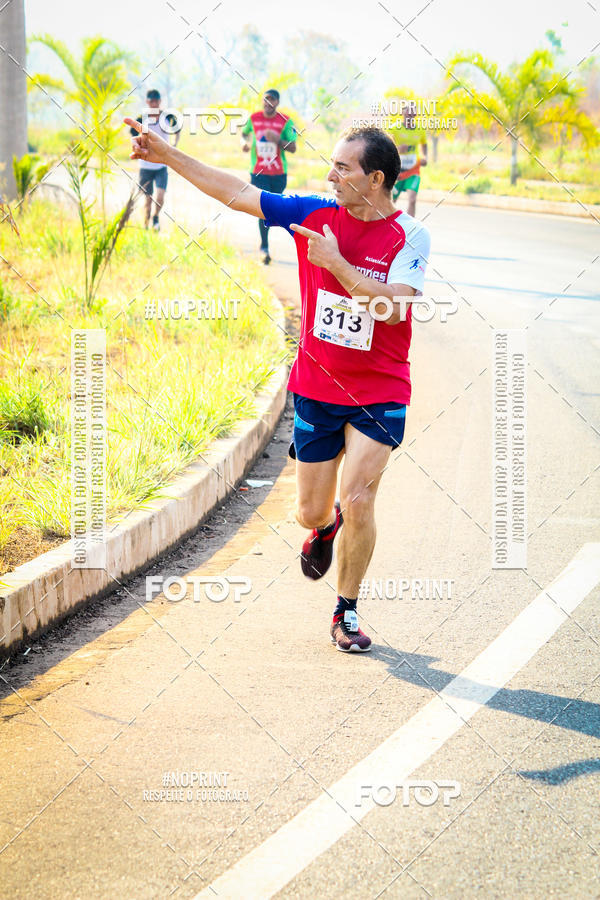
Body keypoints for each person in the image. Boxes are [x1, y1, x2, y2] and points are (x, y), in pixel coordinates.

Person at [125, 117, 430, 653]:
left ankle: (346, 612)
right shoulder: (313, 211)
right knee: (312, 512)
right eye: (331, 165)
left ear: (376, 179)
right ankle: (324, 527)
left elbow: (393, 307)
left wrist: (335, 262)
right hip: (317, 383)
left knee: (358, 498)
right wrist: (168, 155)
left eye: (343, 167)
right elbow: (238, 192)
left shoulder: (410, 235)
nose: (331, 175)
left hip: (381, 390)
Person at [241, 89, 297, 264]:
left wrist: (278, 141)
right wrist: (245, 142)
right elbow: (244, 133)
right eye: (265, 99)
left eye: (271, 100)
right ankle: (264, 247)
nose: (267, 102)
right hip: (258, 171)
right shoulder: (254, 118)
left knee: (273, 211)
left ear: (277, 102)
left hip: (278, 173)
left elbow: (293, 147)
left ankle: (266, 241)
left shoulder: (286, 121)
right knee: (263, 209)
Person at [130, 89, 181, 231]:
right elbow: (132, 136)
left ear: (160, 101)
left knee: (160, 196)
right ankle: (146, 225)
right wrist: (136, 146)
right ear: (147, 102)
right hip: (146, 166)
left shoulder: (168, 117)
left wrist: (174, 145)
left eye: (156, 101)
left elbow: (177, 131)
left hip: (161, 166)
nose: (154, 103)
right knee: (147, 200)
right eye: (151, 101)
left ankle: (156, 217)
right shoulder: (141, 118)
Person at [390, 109, 428, 217]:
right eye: (407, 112)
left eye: (412, 113)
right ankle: (387, 225)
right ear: (402, 113)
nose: (409, 115)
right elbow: (385, 146)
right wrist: (397, 149)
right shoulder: (394, 128)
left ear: (415, 114)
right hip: (397, 171)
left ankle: (411, 228)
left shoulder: (420, 129)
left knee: (412, 199)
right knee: (392, 201)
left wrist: (424, 156)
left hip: (413, 169)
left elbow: (424, 144)